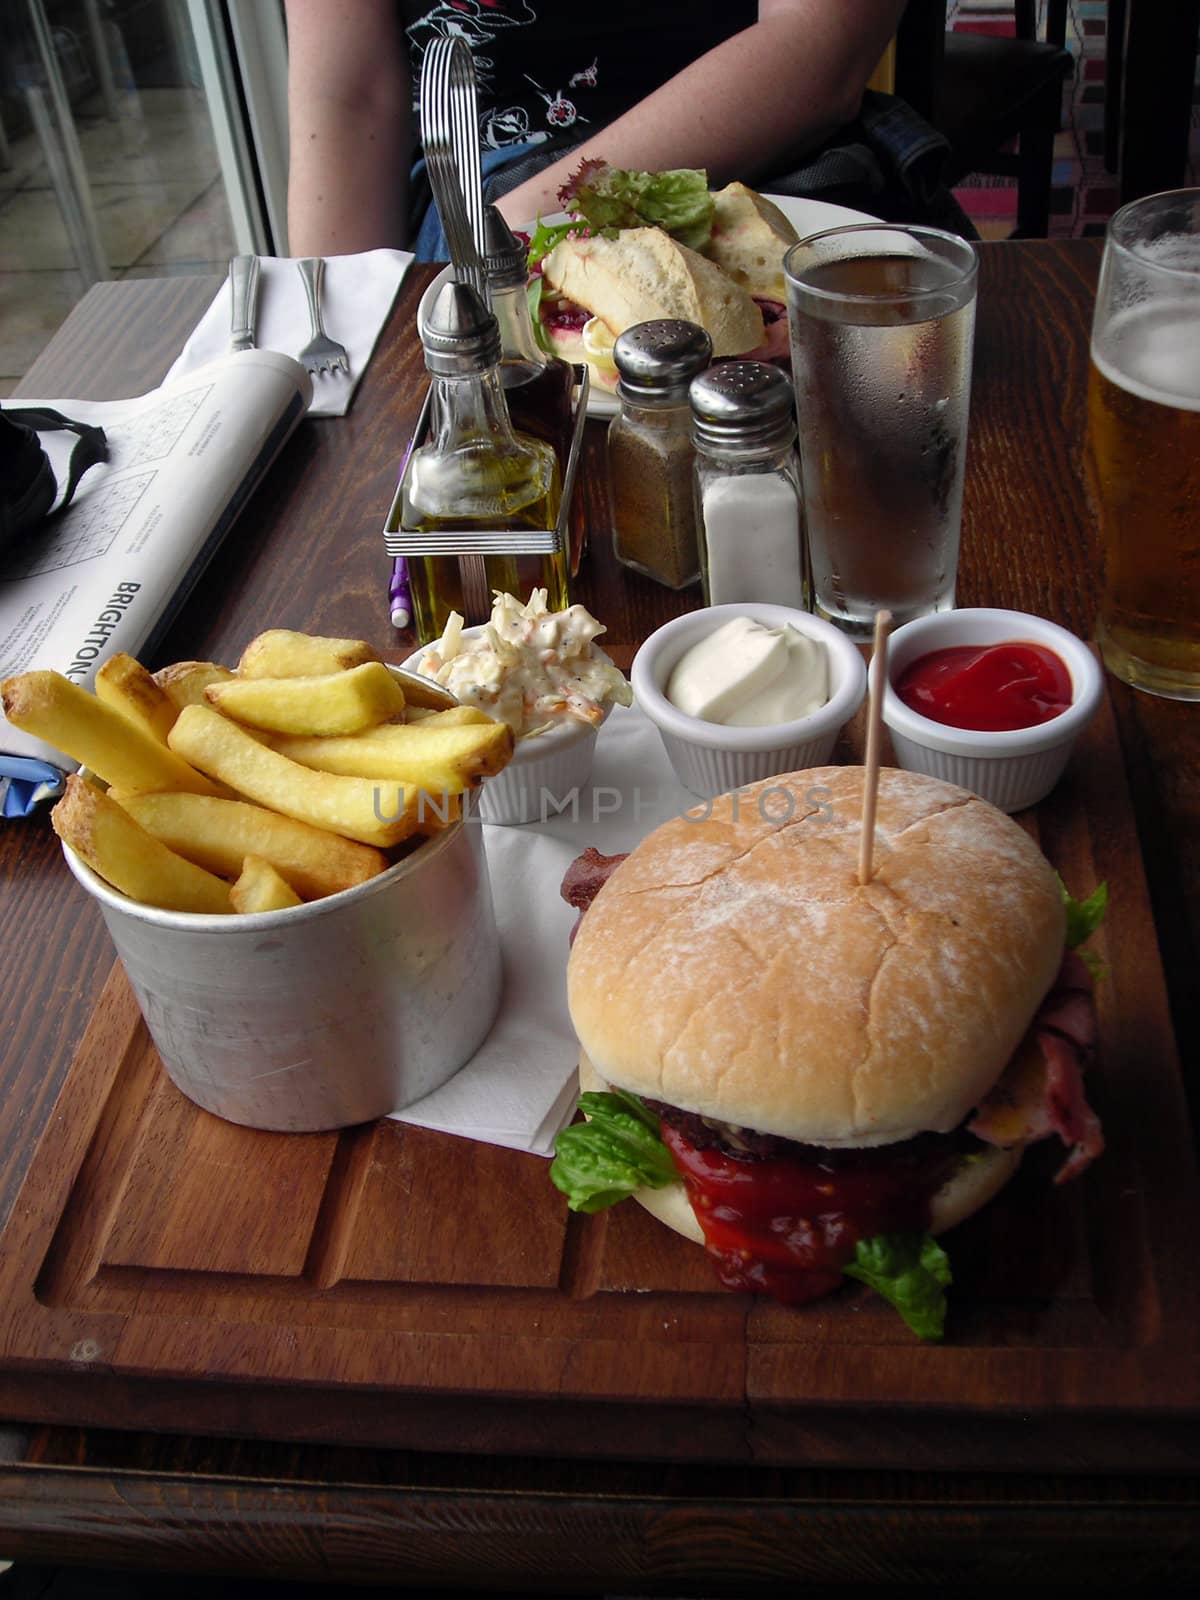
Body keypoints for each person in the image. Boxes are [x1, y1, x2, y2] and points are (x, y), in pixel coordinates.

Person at [283, 0, 951, 260]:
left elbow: (820, 43)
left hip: (760, 150)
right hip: (481, 185)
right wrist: (343, 320)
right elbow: (350, 96)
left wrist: (514, 231)